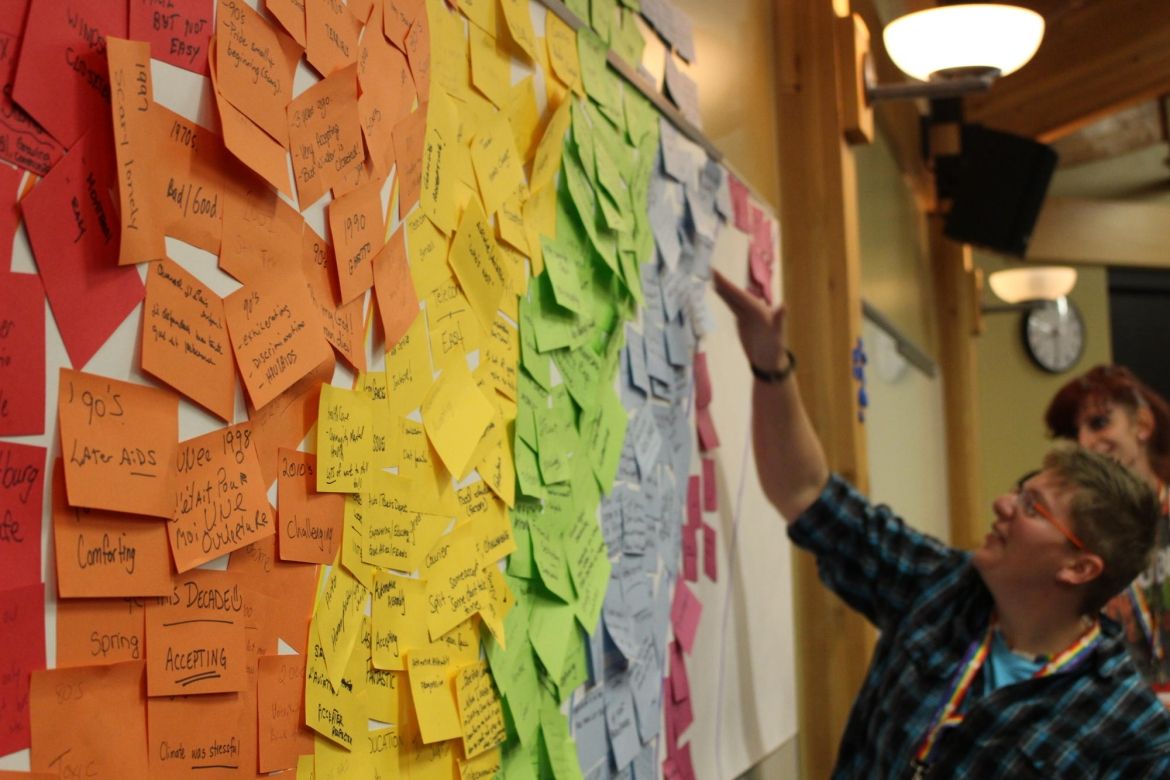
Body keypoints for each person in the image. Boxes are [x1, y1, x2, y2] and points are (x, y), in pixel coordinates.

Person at [712, 271, 1170, 778]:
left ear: (1080, 567)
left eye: (1033, 507)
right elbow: (805, 492)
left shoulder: (1129, 726)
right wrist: (770, 366)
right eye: (1021, 490)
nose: (1002, 505)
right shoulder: (941, 586)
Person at [1045, 365, 1170, 699]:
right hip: (1124, 724)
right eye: (1074, 434)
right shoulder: (1074, 540)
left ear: (1142, 425)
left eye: (1099, 423)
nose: (1085, 443)